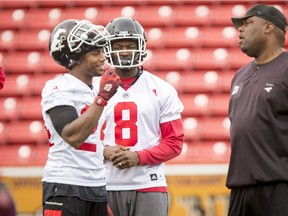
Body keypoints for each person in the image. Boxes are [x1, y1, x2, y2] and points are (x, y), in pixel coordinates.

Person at [102, 17, 184, 216]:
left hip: (148, 183)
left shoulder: (162, 89)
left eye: (129, 45)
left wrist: (139, 157)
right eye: (118, 45)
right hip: (102, 183)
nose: (124, 51)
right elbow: (81, 140)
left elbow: (174, 143)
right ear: (107, 48)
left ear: (141, 47)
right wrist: (104, 151)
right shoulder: (94, 87)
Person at [41, 19, 121, 216]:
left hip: (97, 184)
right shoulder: (58, 87)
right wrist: (102, 99)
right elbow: (73, 136)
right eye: (95, 53)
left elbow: (91, 137)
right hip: (66, 184)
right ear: (76, 58)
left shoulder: (93, 90)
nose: (103, 58)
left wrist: (105, 150)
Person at [226, 4, 288, 216]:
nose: (240, 30)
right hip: (239, 188)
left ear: (269, 27)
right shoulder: (240, 75)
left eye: (247, 23)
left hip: (279, 187)